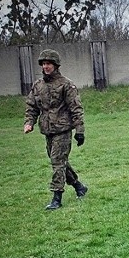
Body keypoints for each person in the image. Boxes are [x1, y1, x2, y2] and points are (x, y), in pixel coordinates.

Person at [24, 49, 87, 210]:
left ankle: (56, 197)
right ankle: (79, 186)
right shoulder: (38, 86)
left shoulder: (66, 85)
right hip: (47, 131)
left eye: (49, 64)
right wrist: (29, 122)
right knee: (60, 162)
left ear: (55, 65)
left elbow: (76, 108)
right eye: (43, 64)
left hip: (63, 130)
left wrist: (79, 131)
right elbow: (31, 106)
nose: (46, 67)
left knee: (57, 163)